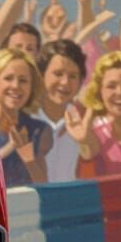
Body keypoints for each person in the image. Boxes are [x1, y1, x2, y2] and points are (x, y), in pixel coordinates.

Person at [0, 47, 52, 186]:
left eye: (23, 80)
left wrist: (28, 158)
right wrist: (9, 148)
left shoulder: (39, 130)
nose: (15, 86)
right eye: (8, 78)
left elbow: (44, 186)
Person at [34, 39, 88, 182]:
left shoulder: (84, 121)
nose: (65, 83)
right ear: (41, 75)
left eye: (73, 76)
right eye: (58, 74)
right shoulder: (24, 119)